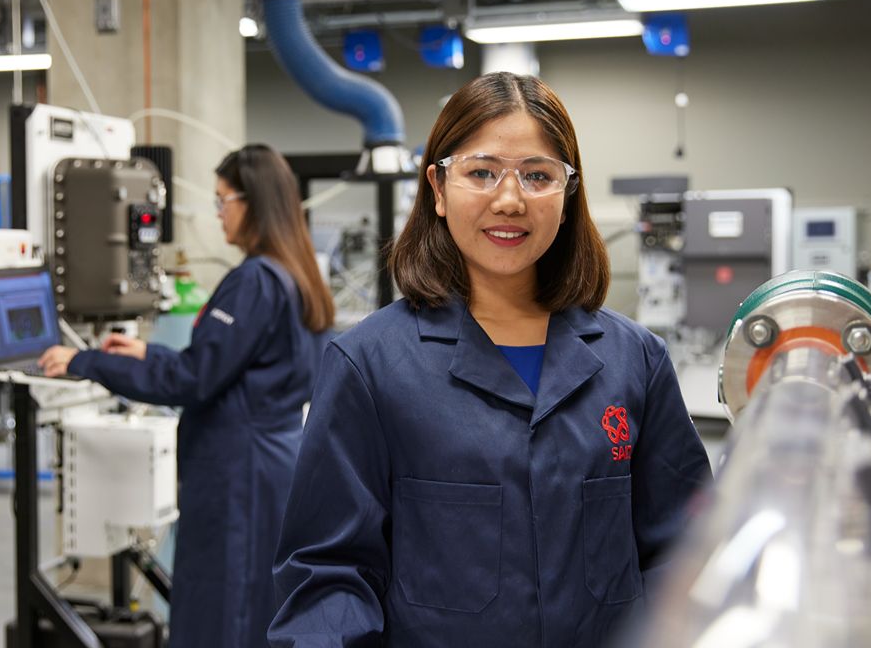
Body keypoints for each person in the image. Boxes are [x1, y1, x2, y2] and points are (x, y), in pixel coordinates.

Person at [268, 73, 710, 647]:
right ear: (438, 187)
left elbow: (685, 551)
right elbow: (327, 577)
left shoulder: (635, 362)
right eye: (481, 172)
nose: (510, 199)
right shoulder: (370, 366)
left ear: (568, 192)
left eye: (538, 175)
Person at [39, 144, 335, 648]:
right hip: (272, 464)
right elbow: (227, 369)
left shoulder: (255, 281)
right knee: (254, 604)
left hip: (236, 475)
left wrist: (84, 361)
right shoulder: (298, 276)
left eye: (223, 201)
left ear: (254, 203)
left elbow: (192, 380)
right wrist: (144, 353)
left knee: (224, 609)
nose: (219, 215)